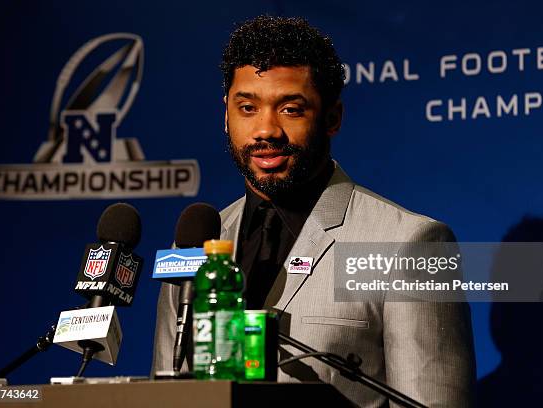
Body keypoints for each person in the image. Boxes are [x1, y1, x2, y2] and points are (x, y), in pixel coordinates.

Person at [152, 15, 475, 407]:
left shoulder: (409, 243)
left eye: (290, 109)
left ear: (332, 118)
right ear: (226, 115)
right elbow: (167, 394)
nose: (266, 130)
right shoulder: (195, 245)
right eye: (248, 108)